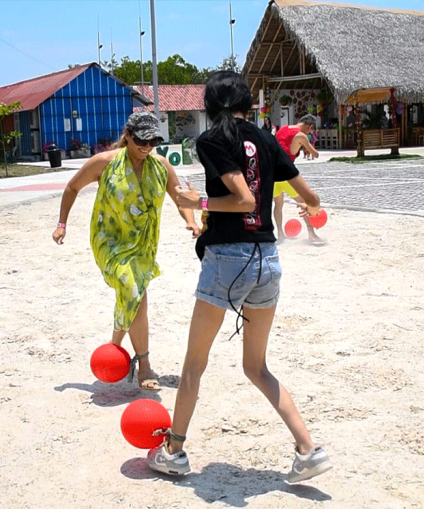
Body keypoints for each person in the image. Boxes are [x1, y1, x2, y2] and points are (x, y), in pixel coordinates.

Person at [146, 71, 332, 484]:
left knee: (194, 363)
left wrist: (199, 201)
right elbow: (312, 199)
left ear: (211, 106)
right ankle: (309, 449)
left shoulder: (213, 139)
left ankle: (174, 451)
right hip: (268, 258)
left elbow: (243, 199)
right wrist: (307, 209)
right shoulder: (266, 138)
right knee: (256, 366)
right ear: (247, 103)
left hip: (228, 259)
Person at [51, 112, 199, 391]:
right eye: (142, 140)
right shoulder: (104, 163)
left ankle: (115, 347)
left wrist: (190, 221)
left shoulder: (161, 167)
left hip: (144, 244)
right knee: (134, 291)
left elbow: (179, 198)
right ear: (128, 135)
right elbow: (72, 187)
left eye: (153, 141)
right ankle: (144, 365)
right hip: (110, 242)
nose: (147, 146)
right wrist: (62, 224)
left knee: (132, 294)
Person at [273, 114, 322, 243]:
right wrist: (307, 143)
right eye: (311, 130)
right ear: (309, 126)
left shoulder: (282, 129)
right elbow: (315, 154)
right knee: (304, 202)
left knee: (278, 205)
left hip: (273, 174)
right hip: (287, 175)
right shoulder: (300, 135)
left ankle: (280, 233)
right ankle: (311, 233)